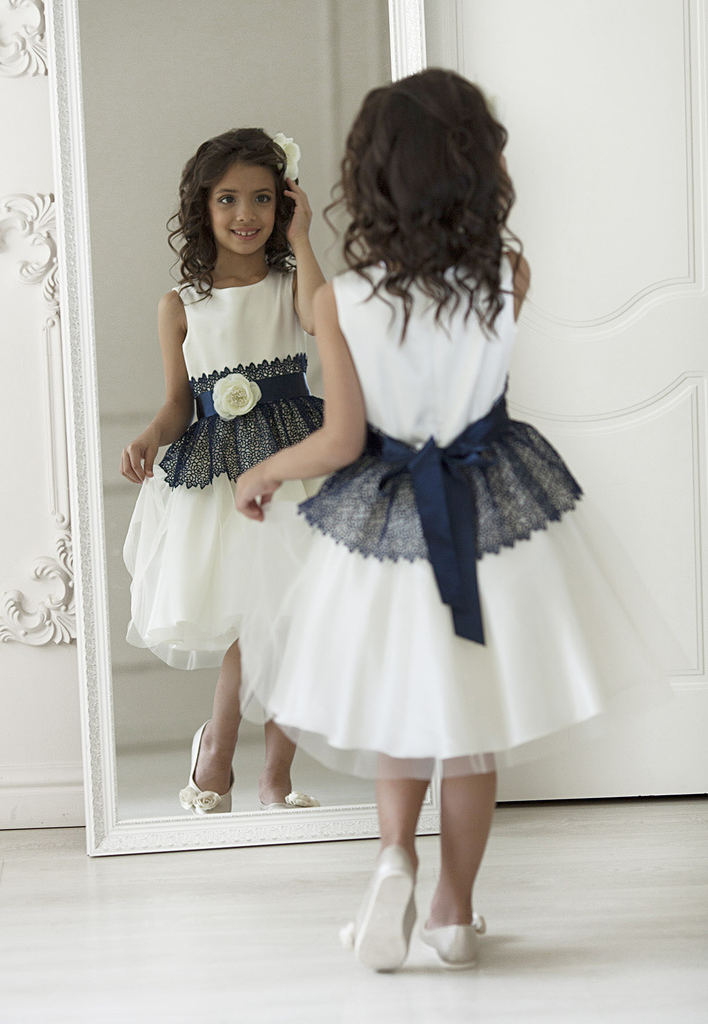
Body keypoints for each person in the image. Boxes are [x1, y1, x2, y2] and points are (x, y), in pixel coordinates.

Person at [234, 70, 674, 971]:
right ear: (474, 170)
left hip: (386, 527)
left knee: (398, 708)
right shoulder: (505, 274)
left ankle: (394, 856)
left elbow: (342, 440)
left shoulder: (342, 299)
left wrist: (265, 468)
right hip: (491, 513)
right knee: (469, 728)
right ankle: (451, 912)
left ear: (371, 177)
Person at [121, 128, 325, 816]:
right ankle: (221, 747)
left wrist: (302, 240)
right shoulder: (180, 304)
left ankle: (270, 772)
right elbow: (179, 403)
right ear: (202, 207)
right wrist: (150, 435)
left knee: (290, 618)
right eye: (229, 199)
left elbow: (318, 322)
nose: (246, 214)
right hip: (221, 476)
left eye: (264, 198)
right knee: (254, 619)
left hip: (294, 463)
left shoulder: (291, 284)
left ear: (284, 203)